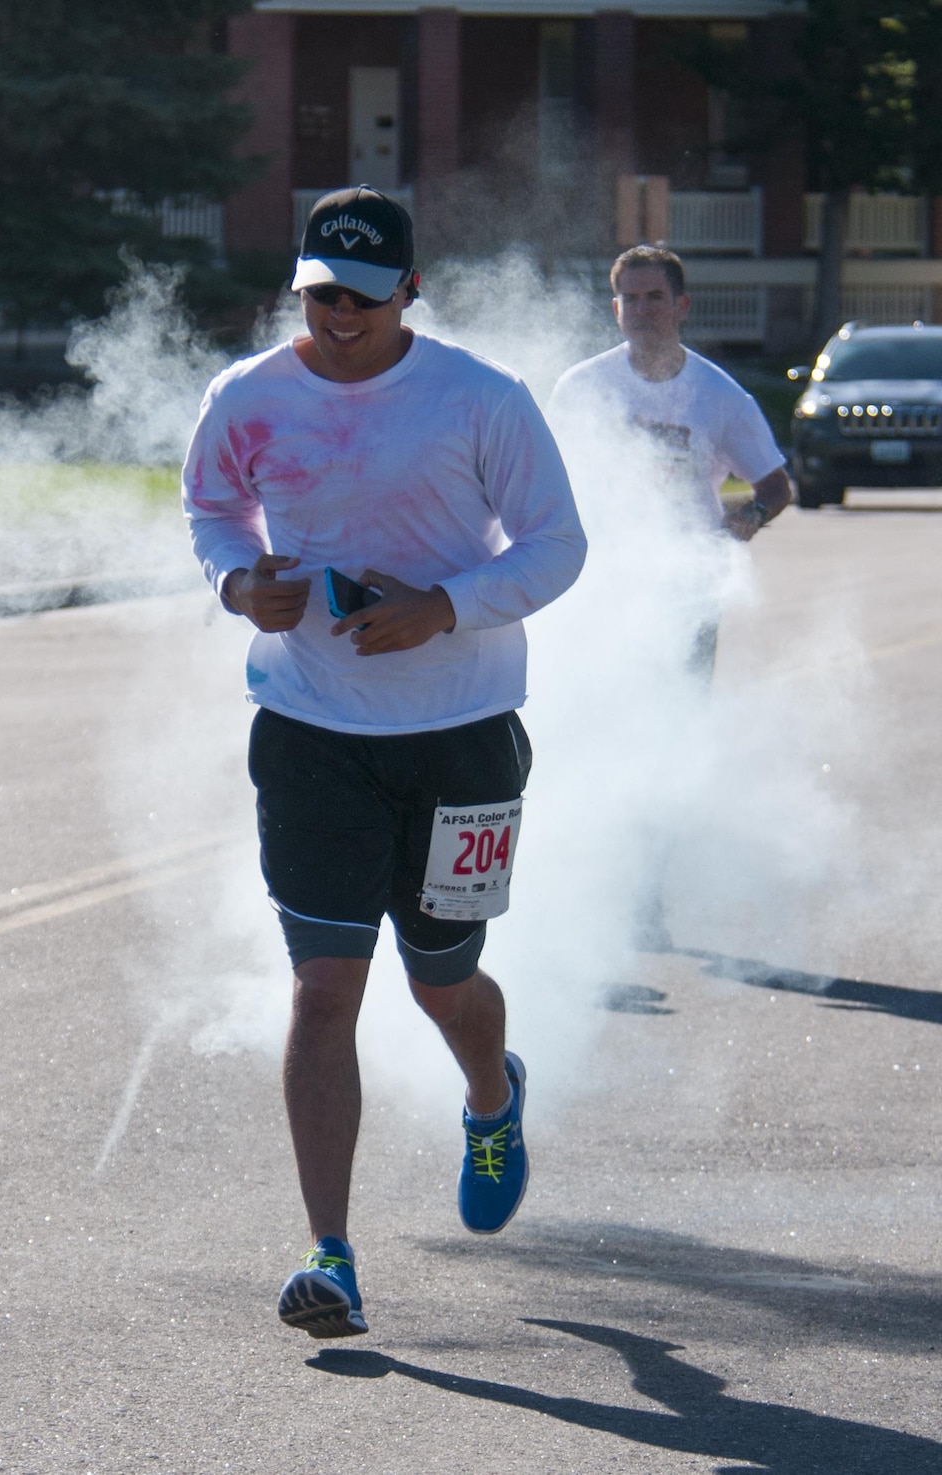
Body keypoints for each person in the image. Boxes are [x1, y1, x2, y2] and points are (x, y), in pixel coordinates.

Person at [182, 186, 587, 1340]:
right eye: (318, 294)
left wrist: (445, 607)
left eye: (361, 297)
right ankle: (329, 1253)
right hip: (309, 731)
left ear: (408, 290)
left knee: (440, 981)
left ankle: (492, 1094)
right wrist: (233, 582)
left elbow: (557, 545)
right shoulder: (246, 396)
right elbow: (210, 508)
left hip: (460, 733)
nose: (337, 316)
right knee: (321, 988)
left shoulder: (477, 400)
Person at [547, 244, 793, 680]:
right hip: (604, 580)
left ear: (681, 306)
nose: (641, 310)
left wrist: (751, 514)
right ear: (616, 307)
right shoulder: (581, 387)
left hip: (687, 584)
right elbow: (543, 481)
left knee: (683, 712)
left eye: (654, 297)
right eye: (630, 299)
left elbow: (776, 485)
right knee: (606, 703)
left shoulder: (721, 396)